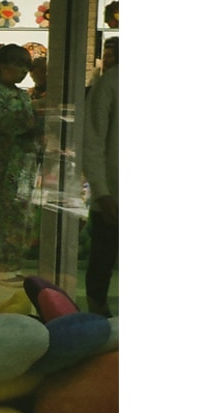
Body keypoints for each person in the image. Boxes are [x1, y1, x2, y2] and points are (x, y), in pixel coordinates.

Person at [0, 42, 43, 277]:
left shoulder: (20, 94)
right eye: (18, 66)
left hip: (25, 165)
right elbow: (6, 124)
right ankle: (1, 265)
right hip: (5, 166)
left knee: (22, 218)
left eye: (26, 67)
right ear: (4, 66)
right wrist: (34, 115)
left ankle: (14, 263)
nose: (24, 72)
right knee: (5, 218)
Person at [81, 37, 118, 316]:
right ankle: (98, 320)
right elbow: (92, 142)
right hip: (114, 195)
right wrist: (102, 192)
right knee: (102, 262)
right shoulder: (109, 85)